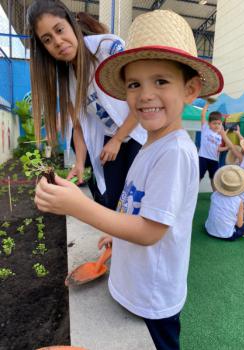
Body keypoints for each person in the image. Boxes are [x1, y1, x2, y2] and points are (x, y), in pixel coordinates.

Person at [34, 9, 224, 349]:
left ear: (191, 89)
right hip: (134, 286)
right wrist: (115, 234)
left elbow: (151, 231)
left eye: (161, 81)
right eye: (135, 84)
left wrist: (79, 207)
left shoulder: (176, 152)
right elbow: (135, 208)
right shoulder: (150, 146)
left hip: (153, 300)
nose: (145, 94)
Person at [27, 0, 147, 210]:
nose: (57, 41)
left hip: (139, 131)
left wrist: (118, 139)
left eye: (59, 29)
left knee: (137, 202)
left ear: (72, 24)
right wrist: (80, 163)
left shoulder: (107, 48)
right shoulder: (66, 80)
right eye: (47, 39)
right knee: (114, 202)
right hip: (110, 139)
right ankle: (116, 241)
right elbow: (79, 128)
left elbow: (142, 99)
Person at [205, 165, 244, 240]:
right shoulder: (239, 201)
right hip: (228, 234)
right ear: (239, 186)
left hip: (209, 229)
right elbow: (239, 224)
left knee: (233, 212)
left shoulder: (214, 194)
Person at [198, 101, 228, 190]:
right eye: (214, 123)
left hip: (214, 160)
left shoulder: (219, 136)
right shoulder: (205, 128)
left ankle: (215, 194)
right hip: (203, 157)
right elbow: (203, 115)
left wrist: (227, 147)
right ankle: (192, 193)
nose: (217, 125)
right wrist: (207, 104)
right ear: (209, 123)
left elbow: (218, 149)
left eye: (219, 123)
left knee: (214, 178)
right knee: (198, 177)